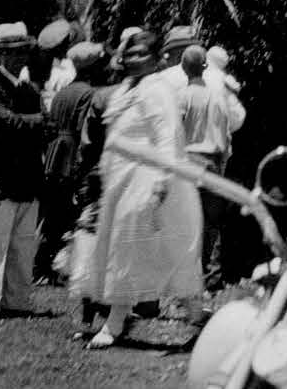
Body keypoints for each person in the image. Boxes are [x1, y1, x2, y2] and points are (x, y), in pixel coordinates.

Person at [72, 26, 204, 349]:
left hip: (147, 182)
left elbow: (166, 134)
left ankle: (116, 324)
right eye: (129, 53)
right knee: (133, 251)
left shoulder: (156, 89)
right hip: (121, 182)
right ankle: (197, 319)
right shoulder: (124, 91)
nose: (134, 59)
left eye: (142, 53)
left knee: (140, 250)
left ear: (157, 59)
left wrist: (160, 183)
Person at [0, 23, 47, 321]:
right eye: (12, 53)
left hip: (26, 178)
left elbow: (24, 125)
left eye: (23, 52)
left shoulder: (27, 89)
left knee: (23, 245)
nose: (19, 58)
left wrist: (36, 123)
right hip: (1, 178)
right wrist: (41, 121)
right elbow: (7, 123)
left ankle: (18, 302)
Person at [175, 46, 246, 289]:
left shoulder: (183, 96)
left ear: (184, 67)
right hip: (214, 164)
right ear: (205, 67)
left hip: (189, 161)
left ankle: (183, 279)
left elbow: (175, 134)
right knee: (212, 225)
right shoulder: (219, 98)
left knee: (184, 222)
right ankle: (211, 278)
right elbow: (226, 139)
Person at [39, 42, 107, 283]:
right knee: (72, 211)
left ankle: (45, 265)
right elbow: (83, 129)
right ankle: (61, 265)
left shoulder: (63, 92)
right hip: (72, 155)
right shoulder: (89, 93)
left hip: (55, 155)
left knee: (54, 213)